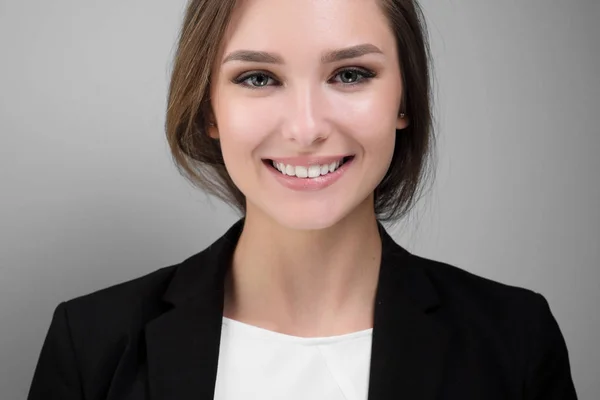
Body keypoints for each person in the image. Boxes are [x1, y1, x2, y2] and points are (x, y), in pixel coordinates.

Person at [28, 0, 578, 399]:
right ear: (209, 110)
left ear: (403, 100)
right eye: (259, 78)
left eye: (351, 74)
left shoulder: (515, 341)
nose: (307, 128)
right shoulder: (91, 343)